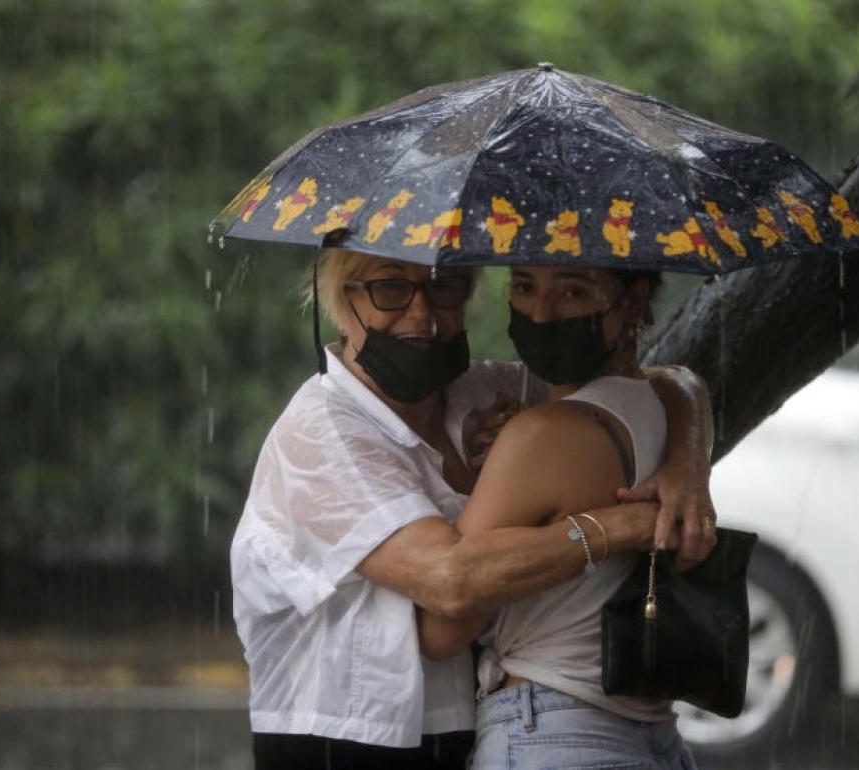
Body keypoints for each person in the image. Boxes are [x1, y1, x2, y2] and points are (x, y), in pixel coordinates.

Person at [231, 248, 716, 770]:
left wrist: (688, 469)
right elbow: (451, 581)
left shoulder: (487, 391)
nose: (422, 314)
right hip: (341, 738)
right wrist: (620, 525)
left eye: (445, 286)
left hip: (466, 728)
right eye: (390, 290)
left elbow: (659, 382)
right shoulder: (322, 432)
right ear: (342, 303)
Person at [417, 264, 701, 769]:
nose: (541, 313)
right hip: (654, 735)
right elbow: (681, 381)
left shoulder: (541, 435)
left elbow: (444, 629)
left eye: (573, 290)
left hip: (550, 731)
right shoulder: (662, 405)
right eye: (524, 286)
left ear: (633, 302)